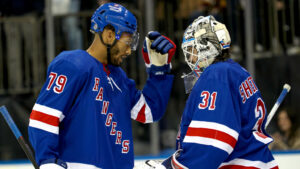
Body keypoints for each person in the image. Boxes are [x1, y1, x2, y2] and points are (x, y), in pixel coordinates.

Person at [28, 3, 176, 169]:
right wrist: (47, 161)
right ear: (109, 35)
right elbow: (43, 117)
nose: (129, 51)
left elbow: (149, 111)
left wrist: (159, 72)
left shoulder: (119, 78)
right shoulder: (72, 64)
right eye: (128, 41)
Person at [138, 16, 278, 169]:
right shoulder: (236, 71)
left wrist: (174, 166)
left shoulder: (216, 74)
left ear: (207, 47)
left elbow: (213, 141)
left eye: (192, 50)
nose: (190, 58)